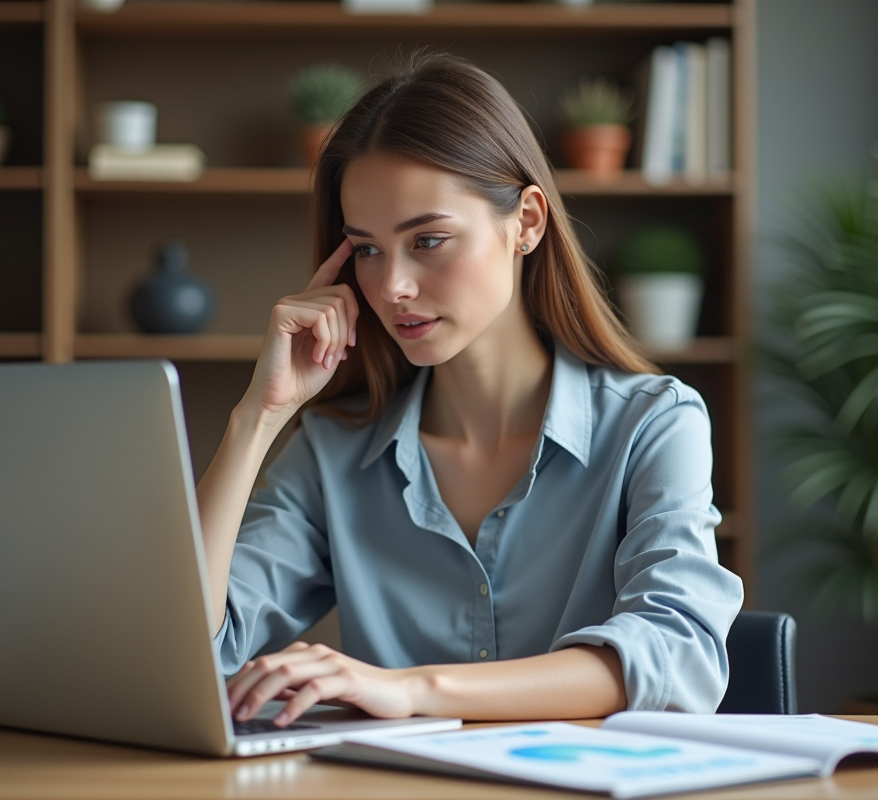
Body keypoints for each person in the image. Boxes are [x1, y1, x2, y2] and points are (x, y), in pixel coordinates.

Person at [196, 48, 743, 730]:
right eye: (366, 249)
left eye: (427, 240)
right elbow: (191, 653)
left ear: (528, 223)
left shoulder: (652, 425)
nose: (391, 286)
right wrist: (260, 416)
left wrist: (414, 690)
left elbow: (677, 654)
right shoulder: (333, 452)